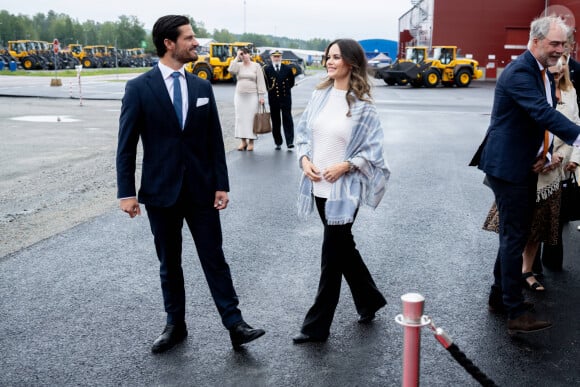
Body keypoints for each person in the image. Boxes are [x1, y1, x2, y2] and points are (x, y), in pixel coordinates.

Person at [116, 15, 265, 353]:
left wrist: (221, 184)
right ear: (169, 43)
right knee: (170, 263)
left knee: (214, 258)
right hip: (160, 191)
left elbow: (213, 139)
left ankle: (235, 325)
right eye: (190, 37)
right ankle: (175, 326)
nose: (196, 43)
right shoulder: (139, 88)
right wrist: (126, 192)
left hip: (200, 189)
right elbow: (126, 146)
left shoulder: (200, 87)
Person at [469, 15, 580, 335]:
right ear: (535, 40)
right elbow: (541, 112)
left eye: (564, 44)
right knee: (514, 236)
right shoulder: (521, 72)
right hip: (509, 167)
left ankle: (499, 297)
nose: (561, 50)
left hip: (523, 162)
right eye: (555, 44)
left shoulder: (541, 71)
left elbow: (535, 123)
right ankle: (514, 311)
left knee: (514, 235)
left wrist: (546, 154)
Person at [293, 39, 391, 344]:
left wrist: (346, 165)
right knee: (343, 249)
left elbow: (373, 151)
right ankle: (369, 299)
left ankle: (316, 327)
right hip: (318, 186)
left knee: (331, 256)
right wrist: (304, 159)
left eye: (335, 57)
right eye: (327, 57)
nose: (329, 62)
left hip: (344, 190)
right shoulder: (319, 95)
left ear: (350, 62)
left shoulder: (363, 107)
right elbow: (303, 134)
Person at [536, 53, 580, 272]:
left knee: (558, 214)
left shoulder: (571, 92)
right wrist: (547, 154)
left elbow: (577, 124)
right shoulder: (538, 90)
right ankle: (529, 266)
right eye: (553, 72)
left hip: (564, 161)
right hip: (541, 161)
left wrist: (574, 158)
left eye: (561, 70)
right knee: (536, 215)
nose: (557, 74)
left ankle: (552, 262)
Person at [228, 47, 267, 151]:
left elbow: (261, 81)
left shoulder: (256, 66)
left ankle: (251, 142)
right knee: (240, 118)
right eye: (242, 53)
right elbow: (231, 70)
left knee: (251, 119)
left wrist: (261, 96)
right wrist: (237, 57)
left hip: (252, 96)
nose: (244, 55)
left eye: (246, 53)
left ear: (250, 54)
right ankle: (243, 142)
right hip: (240, 96)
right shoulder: (238, 66)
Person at [263, 50, 296, 150]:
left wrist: (285, 91)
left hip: (285, 97)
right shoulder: (267, 69)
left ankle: (289, 141)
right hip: (273, 98)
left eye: (278, 56)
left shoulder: (287, 68)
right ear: (271, 58)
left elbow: (291, 82)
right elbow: (265, 83)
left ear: (281, 57)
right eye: (275, 56)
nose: (277, 58)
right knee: (276, 121)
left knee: (288, 120)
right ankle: (278, 141)